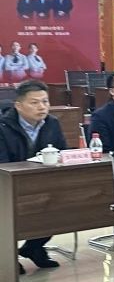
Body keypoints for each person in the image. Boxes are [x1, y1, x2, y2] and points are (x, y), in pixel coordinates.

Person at [0, 80, 66, 272]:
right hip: (7, 184)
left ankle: (34, 247)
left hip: (42, 182)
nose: (42, 107)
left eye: (45, 101)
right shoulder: (3, 126)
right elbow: (2, 164)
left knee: (64, 202)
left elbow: (62, 152)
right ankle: (6, 257)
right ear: (18, 105)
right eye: (34, 102)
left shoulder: (52, 123)